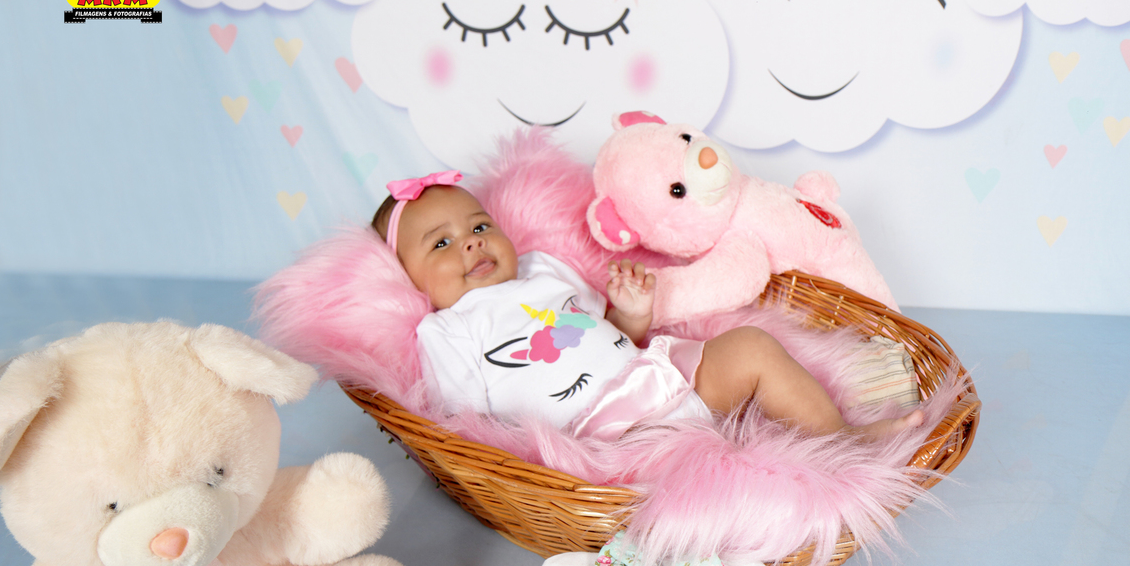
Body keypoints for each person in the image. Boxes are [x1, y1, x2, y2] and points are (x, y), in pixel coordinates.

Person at [372, 171, 924, 442]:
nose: (471, 244)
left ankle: (839, 438)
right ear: (409, 277)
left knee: (753, 346)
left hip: (657, 376)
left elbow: (609, 333)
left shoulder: (543, 270)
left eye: (479, 227)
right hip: (601, 437)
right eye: (441, 244)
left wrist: (631, 309)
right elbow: (465, 424)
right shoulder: (447, 329)